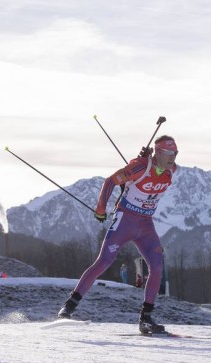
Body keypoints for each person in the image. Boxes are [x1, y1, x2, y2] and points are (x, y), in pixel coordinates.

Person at [57, 135, 179, 335]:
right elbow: (110, 181)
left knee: (157, 267)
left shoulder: (170, 169)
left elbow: (153, 170)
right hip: (125, 220)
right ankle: (69, 307)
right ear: (158, 152)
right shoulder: (141, 166)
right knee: (103, 262)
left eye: (175, 153)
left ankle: (146, 319)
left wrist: (145, 161)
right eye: (168, 153)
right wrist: (101, 208)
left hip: (146, 225)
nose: (172, 158)